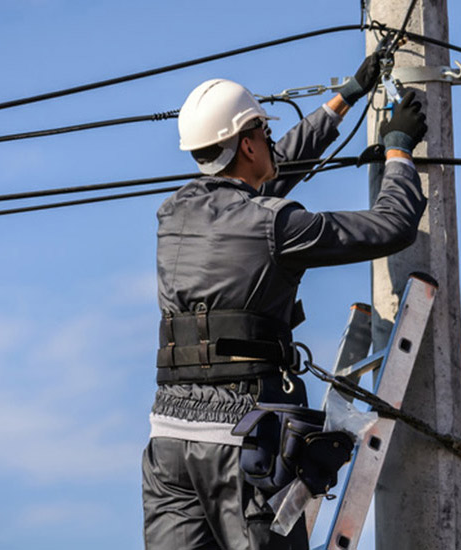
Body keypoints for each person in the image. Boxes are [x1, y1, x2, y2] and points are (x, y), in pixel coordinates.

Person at [142, 53, 427, 550]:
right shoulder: (275, 224)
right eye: (264, 134)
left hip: (169, 444)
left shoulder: (175, 215)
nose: (272, 142)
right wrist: (398, 152)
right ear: (247, 143)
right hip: (243, 444)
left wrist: (345, 99)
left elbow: (262, 179)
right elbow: (391, 228)